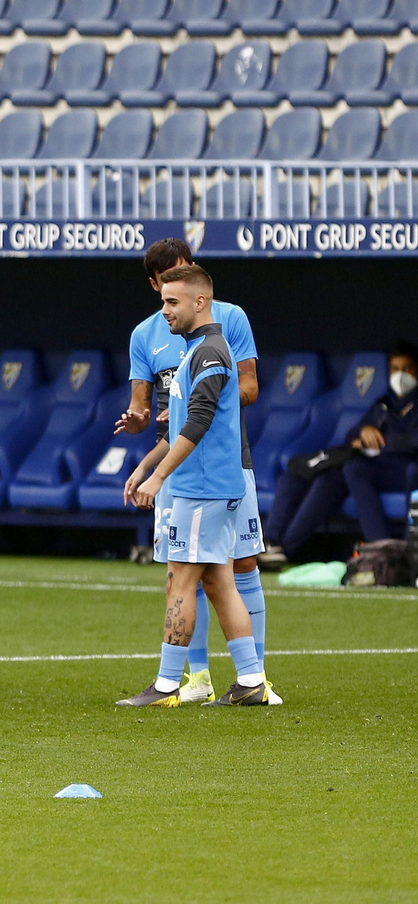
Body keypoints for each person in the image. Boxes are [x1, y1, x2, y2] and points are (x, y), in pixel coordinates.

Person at [117, 238, 275, 704]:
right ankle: (251, 681)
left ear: (199, 301)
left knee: (182, 580)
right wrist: (146, 464)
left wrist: (157, 477)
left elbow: (199, 422)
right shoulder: (196, 350)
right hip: (207, 484)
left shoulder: (207, 352)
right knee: (218, 582)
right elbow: (184, 421)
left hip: (202, 486)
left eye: (173, 302)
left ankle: (167, 683)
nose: (165, 311)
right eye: (163, 299)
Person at [261, 344, 418, 561]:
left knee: (354, 468)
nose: (401, 375)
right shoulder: (385, 403)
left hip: (403, 468)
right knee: (307, 475)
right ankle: (272, 544)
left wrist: (384, 442)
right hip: (367, 467)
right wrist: (363, 432)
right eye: (395, 369)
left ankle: (381, 550)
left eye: (407, 368)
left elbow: (411, 442)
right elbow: (352, 434)